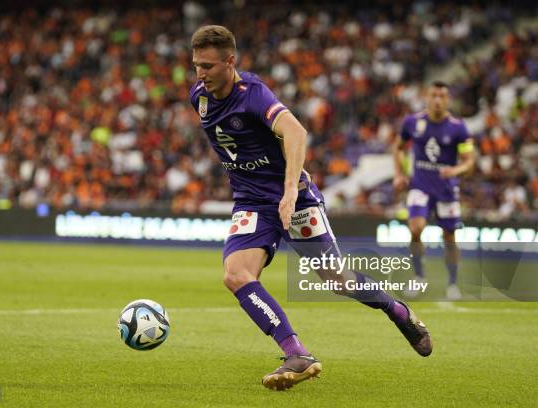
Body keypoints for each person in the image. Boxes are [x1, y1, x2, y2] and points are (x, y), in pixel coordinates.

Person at [190, 25, 431, 391]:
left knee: (339, 280)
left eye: (208, 65)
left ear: (230, 61)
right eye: (196, 65)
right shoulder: (200, 97)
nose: (200, 73)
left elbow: (297, 132)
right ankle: (297, 353)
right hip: (252, 203)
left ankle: (397, 310)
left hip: (296, 200)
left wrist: (288, 191)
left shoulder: (252, 94)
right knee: (236, 275)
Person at [393, 81, 475, 300]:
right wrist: (400, 174)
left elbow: (469, 161)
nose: (438, 100)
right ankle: (419, 277)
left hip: (446, 190)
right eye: (434, 95)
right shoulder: (412, 122)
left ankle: (452, 283)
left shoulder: (458, 127)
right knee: (416, 228)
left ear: (448, 100)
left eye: (442, 96)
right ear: (426, 97)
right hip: (420, 186)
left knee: (449, 237)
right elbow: (398, 147)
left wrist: (456, 170)